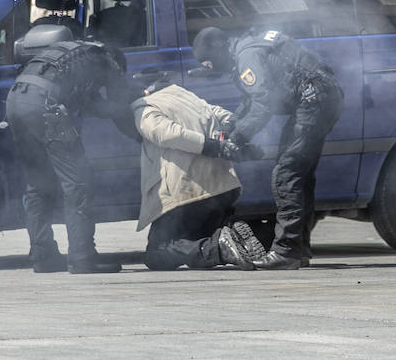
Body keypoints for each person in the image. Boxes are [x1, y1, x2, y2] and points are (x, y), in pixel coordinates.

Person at [192, 26, 342, 269]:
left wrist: (237, 138)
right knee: (299, 175)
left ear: (217, 51)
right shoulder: (246, 46)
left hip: (313, 100)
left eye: (208, 63)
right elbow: (252, 99)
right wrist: (232, 126)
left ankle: (287, 251)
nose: (209, 69)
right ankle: (298, 249)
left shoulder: (246, 56)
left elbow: (264, 103)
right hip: (322, 97)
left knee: (287, 174)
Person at [5, 24, 140, 273]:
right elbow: (119, 110)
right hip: (46, 106)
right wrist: (141, 136)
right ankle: (82, 257)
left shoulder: (75, 54)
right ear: (118, 64)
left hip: (15, 100)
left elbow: (91, 104)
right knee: (79, 181)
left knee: (38, 183)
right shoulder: (108, 62)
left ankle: (43, 255)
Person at [132, 82, 267, 270]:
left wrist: (210, 146)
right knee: (198, 233)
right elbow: (228, 119)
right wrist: (232, 144)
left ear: (146, 91)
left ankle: (218, 247)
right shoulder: (193, 99)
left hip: (187, 192)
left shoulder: (145, 106)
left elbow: (166, 134)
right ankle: (250, 233)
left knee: (157, 253)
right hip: (222, 188)